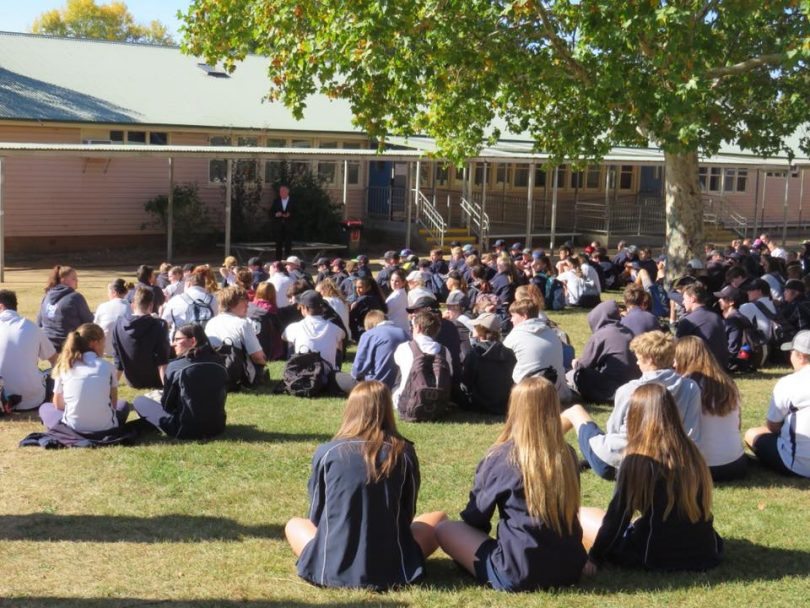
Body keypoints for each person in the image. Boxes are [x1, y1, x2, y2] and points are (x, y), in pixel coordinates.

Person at [285, 380, 446, 590]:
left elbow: (316, 515)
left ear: (350, 409)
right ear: (387, 410)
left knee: (294, 524)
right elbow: (407, 514)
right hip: (392, 566)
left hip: (330, 567)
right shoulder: (403, 452)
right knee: (439, 519)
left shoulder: (327, 453)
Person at [436, 377, 587, 591]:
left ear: (515, 409)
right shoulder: (567, 455)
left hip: (517, 571)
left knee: (446, 529)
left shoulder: (502, 457)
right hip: (570, 569)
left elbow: (476, 517)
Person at [580, 383, 723, 572]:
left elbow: (617, 517)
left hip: (654, 556)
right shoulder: (692, 452)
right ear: (672, 413)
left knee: (582, 514)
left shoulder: (637, 462)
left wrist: (595, 557)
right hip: (706, 552)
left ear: (635, 417)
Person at [561, 330, 701, 480]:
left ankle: (540, 445)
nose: (637, 362)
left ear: (649, 359)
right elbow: (691, 431)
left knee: (575, 411)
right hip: (665, 464)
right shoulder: (690, 387)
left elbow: (613, 430)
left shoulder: (630, 390)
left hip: (617, 463)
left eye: (639, 358)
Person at [133, 324, 228, 439]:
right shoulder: (219, 362)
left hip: (184, 430)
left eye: (177, 339)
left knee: (139, 401)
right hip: (217, 427)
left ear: (193, 341)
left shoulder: (175, 366)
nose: (173, 344)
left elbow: (167, 405)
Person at [674, 336, 747, 481]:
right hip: (735, 465)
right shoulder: (728, 383)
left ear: (684, 358)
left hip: (699, 469)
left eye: (675, 358)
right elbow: (738, 425)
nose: (674, 364)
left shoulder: (685, 387)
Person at [39, 323, 130, 433]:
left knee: (45, 408)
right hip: (105, 428)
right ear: (94, 343)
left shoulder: (65, 367)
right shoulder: (108, 367)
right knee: (123, 405)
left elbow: (58, 404)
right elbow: (114, 404)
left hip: (73, 427)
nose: (104, 347)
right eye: (103, 343)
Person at [744, 330, 810, 478]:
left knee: (752, 434)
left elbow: (773, 426)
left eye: (792, 352)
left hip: (799, 465)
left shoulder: (789, 383)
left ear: (800, 356)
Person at [566, 300, 640, 404]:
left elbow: (584, 365)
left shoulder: (601, 335)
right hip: (632, 386)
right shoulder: (628, 331)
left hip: (612, 389)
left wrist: (575, 363)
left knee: (578, 375)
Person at [503, 298, 570, 403]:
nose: (511, 320)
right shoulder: (552, 333)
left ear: (524, 316)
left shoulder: (515, 336)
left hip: (528, 394)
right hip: (559, 392)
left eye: (513, 316)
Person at [0, 289, 57, 411]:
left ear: (1, 306)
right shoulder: (31, 327)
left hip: (2, 398)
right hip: (32, 400)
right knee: (50, 373)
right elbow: (54, 360)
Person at [205, 287, 268, 385]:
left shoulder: (211, 323)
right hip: (238, 375)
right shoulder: (242, 323)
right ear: (232, 304)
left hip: (216, 372)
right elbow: (258, 357)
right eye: (245, 302)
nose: (248, 306)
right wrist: (264, 362)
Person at [112, 287, 171, 390]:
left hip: (132, 379)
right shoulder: (159, 325)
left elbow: (118, 358)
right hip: (154, 380)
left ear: (132, 305)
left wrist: (112, 387)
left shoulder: (118, 323)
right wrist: (168, 390)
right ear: (151, 306)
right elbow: (163, 360)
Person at [337, 310, 409, 393]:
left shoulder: (370, 335)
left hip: (375, 386)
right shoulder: (404, 333)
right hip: (399, 385)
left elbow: (357, 371)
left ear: (369, 324)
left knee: (337, 376)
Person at [392, 310, 452, 410]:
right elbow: (451, 374)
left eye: (413, 327)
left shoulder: (404, 348)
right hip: (438, 404)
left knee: (399, 374)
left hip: (409, 403)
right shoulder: (445, 350)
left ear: (418, 328)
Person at [459, 312, 516, 415]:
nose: (473, 328)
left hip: (480, 405)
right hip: (504, 404)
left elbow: (466, 383)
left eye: (476, 326)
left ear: (481, 329)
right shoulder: (509, 353)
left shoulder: (475, 354)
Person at [282, 290, 345, 370]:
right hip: (328, 374)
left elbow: (283, 336)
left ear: (304, 308)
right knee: (339, 341)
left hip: (303, 375)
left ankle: (291, 370)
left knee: (291, 340)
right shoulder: (334, 328)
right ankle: (336, 368)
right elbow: (342, 336)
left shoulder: (295, 327)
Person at [38, 265, 94, 352]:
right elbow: (88, 322)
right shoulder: (75, 297)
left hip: (48, 346)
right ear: (62, 280)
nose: (77, 281)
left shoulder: (46, 297)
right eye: (73, 278)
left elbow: (39, 323)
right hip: (69, 345)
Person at [676, 283, 729, 368]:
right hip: (721, 366)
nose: (683, 302)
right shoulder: (716, 317)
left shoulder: (688, 321)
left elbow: (678, 349)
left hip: (700, 368)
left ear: (692, 299)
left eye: (684, 299)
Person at [161, 270, 218, 335]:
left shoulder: (175, 300)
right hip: (206, 340)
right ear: (203, 285)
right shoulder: (214, 299)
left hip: (181, 341)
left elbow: (164, 323)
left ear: (188, 284)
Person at [93, 278, 131, 356]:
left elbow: (95, 326)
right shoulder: (130, 308)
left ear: (114, 292)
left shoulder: (102, 306)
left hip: (104, 349)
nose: (108, 294)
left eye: (108, 292)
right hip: (124, 350)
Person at [271, 184, 294, 260]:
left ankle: (288, 260)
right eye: (280, 191)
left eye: (283, 191)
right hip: (279, 226)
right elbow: (271, 212)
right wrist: (276, 214)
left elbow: (298, 212)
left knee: (288, 244)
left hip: (289, 226)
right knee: (278, 244)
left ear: (288, 192)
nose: (281, 193)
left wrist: (289, 214)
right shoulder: (276, 201)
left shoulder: (293, 201)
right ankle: (278, 261)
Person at [385, 268, 410, 335]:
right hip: (400, 328)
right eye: (392, 280)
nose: (393, 283)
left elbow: (386, 312)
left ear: (404, 282)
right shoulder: (398, 293)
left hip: (396, 329)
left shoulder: (397, 295)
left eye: (397, 281)